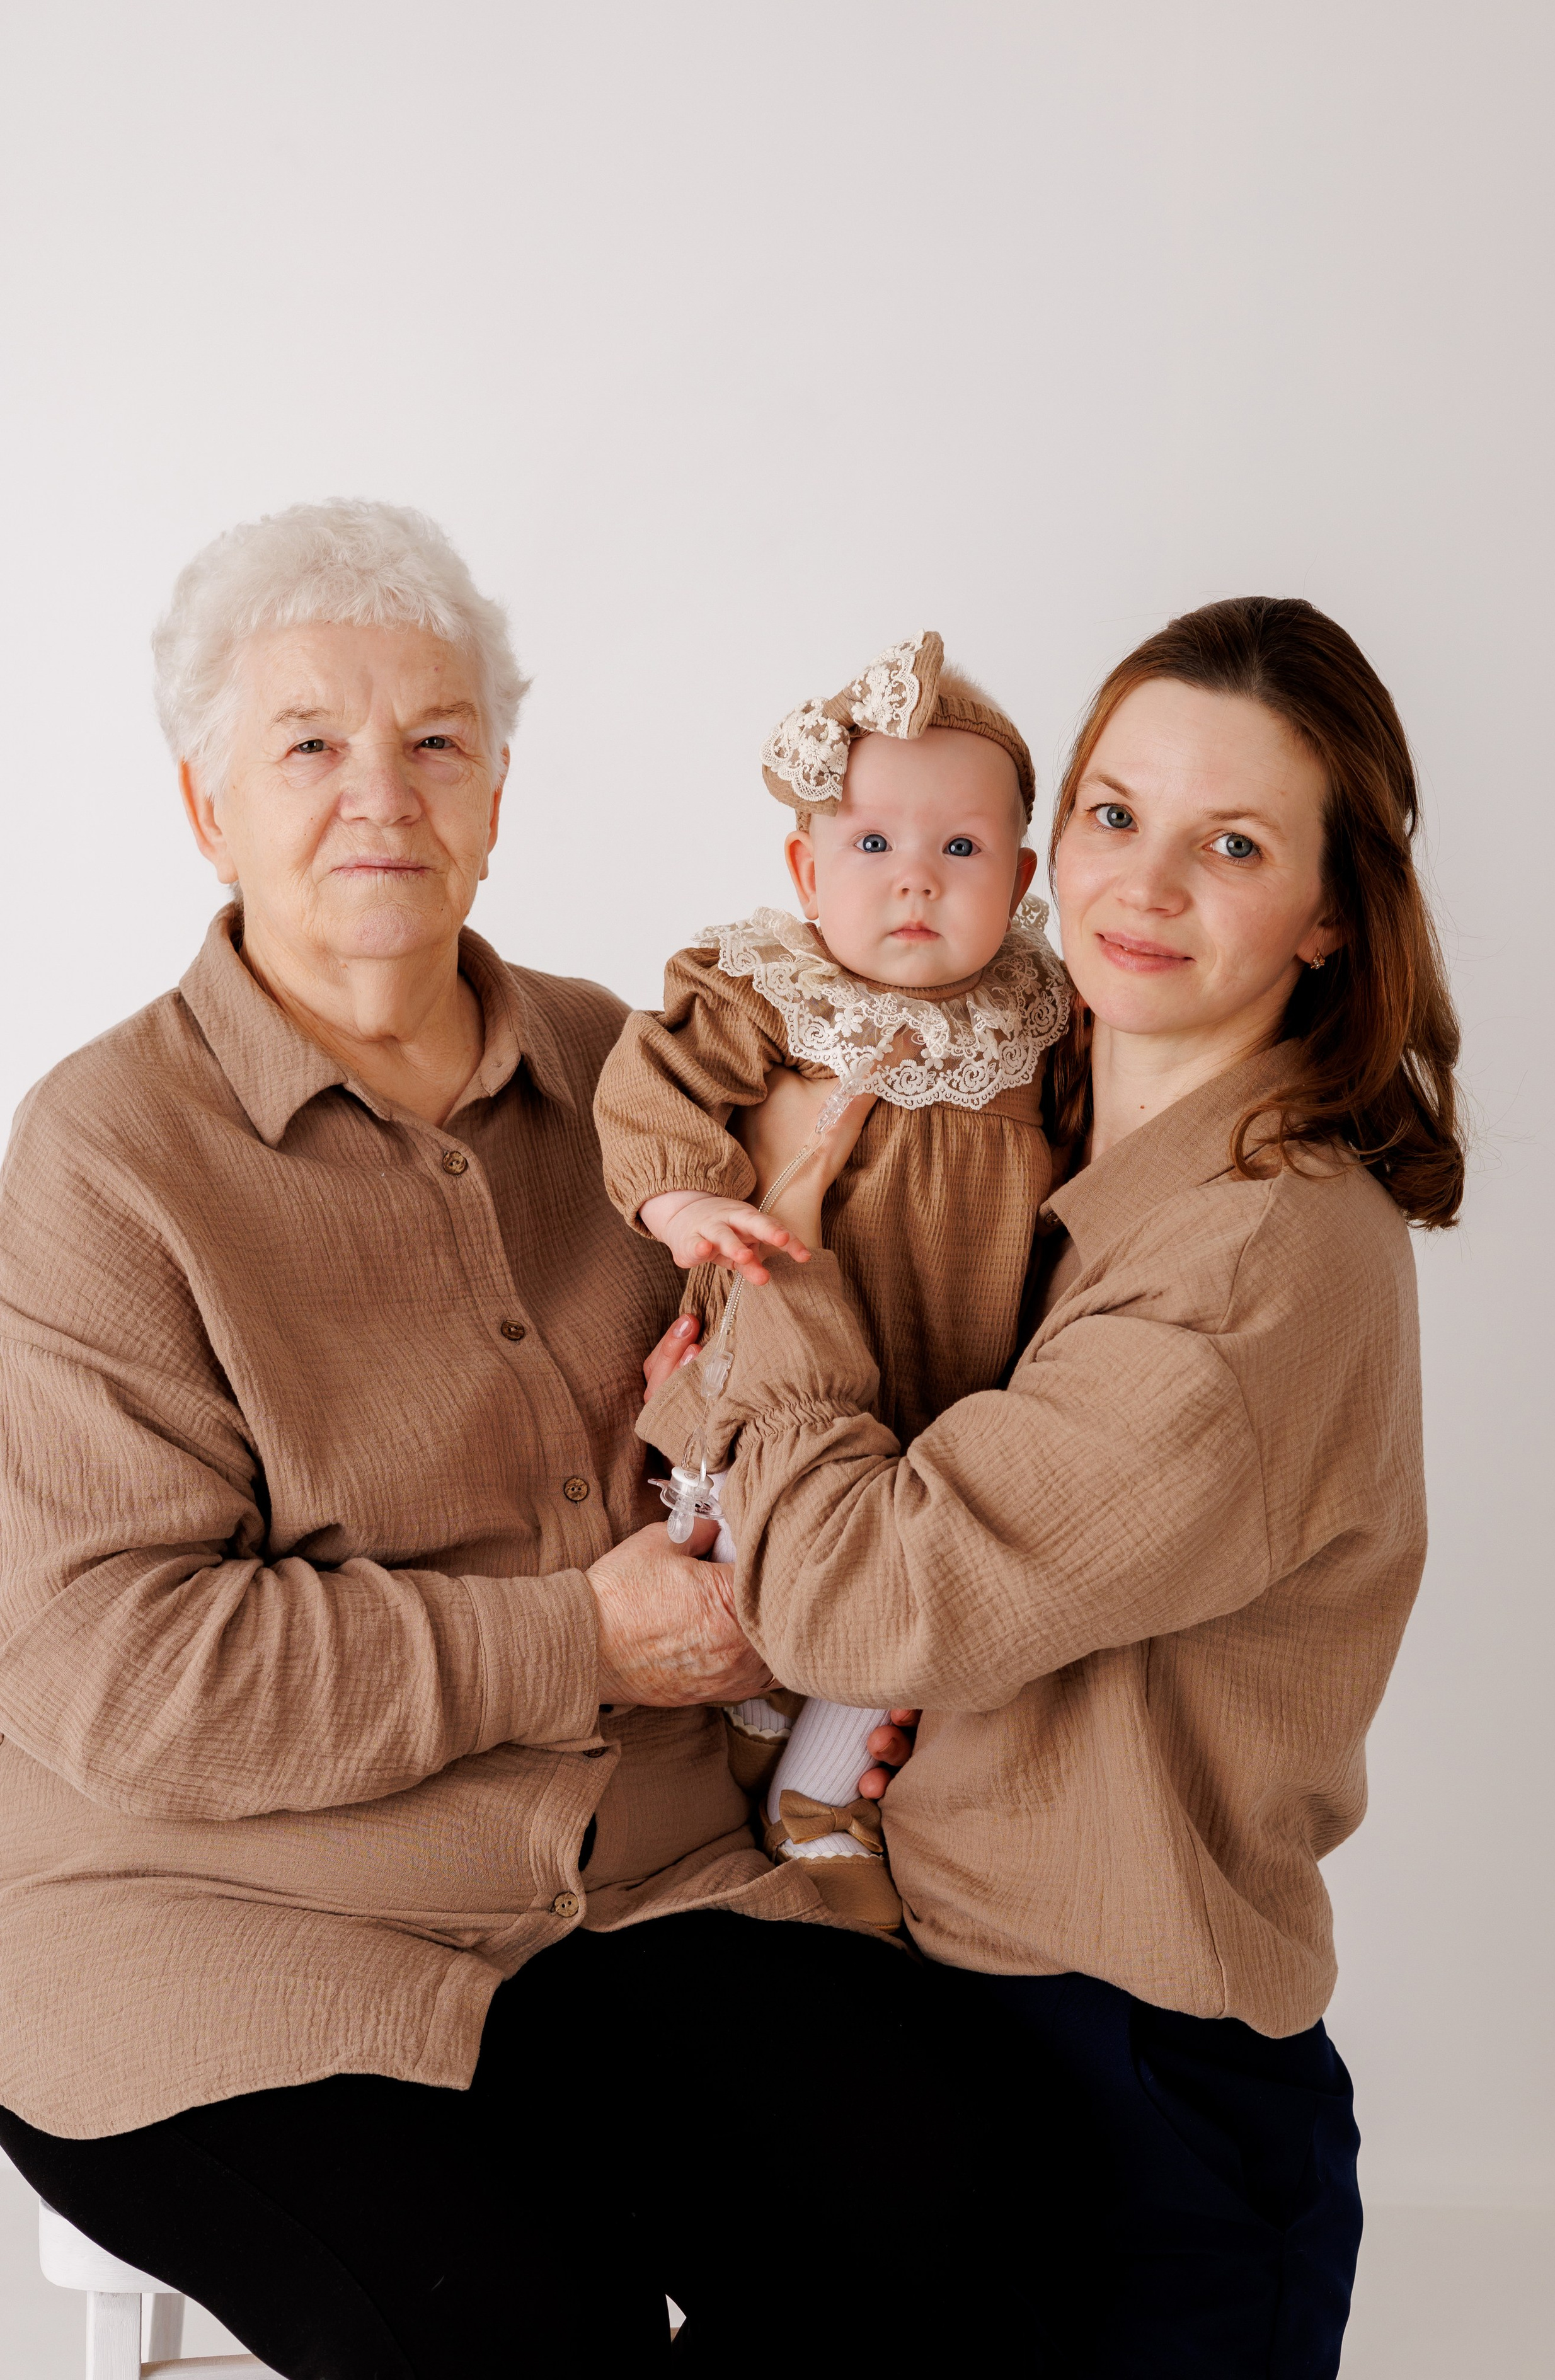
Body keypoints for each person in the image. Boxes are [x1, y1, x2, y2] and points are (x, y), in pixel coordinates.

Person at [0, 500, 1011, 2378]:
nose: (382, 794)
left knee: (964, 2209)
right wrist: (589, 1641)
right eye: (309, 744)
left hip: (626, 1888)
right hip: (215, 1931)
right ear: (205, 807)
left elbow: (802, 1414)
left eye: (436, 741)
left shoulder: (643, 1084)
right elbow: (122, 1676)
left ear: (496, 796)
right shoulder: (102, 1160)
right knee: (521, 2332)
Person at [636, 595, 1464, 2374]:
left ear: (1329, 915)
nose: (1142, 886)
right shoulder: (1039, 1148)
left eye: (1228, 843)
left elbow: (863, 1596)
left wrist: (765, 1280)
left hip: (1135, 2086)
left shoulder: (1262, 1255)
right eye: (1114, 814)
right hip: (936, 2027)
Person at [593, 632, 1070, 1923]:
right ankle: (721, 1743)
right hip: (781, 1360)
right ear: (805, 871)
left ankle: (820, 1798)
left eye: (958, 853)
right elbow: (655, 1078)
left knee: (900, 1595)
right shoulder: (772, 989)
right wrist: (685, 1194)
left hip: (949, 1389)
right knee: (734, 1549)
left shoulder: (1041, 1022)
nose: (913, 883)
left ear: (1022, 878)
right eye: (870, 848)